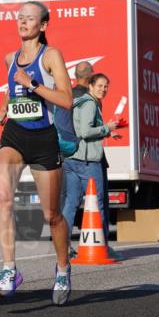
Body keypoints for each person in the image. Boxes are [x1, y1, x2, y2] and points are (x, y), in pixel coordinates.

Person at [0, 0, 74, 304]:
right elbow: (12, 89)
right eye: (20, 18)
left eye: (30, 19)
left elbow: (66, 100)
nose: (23, 22)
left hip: (44, 140)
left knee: (51, 215)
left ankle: (63, 269)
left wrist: (33, 83)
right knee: (3, 199)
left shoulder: (51, 55)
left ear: (43, 25)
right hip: (14, 134)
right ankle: (9, 269)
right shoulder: (9, 58)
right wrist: (4, 108)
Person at [60, 73, 119, 244]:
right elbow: (85, 132)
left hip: (71, 159)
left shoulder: (79, 102)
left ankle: (64, 246)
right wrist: (106, 128)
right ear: (91, 86)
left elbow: (80, 127)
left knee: (71, 204)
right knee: (97, 202)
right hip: (87, 161)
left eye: (106, 86)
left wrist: (108, 132)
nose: (103, 89)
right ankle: (101, 245)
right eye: (100, 86)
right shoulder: (90, 104)